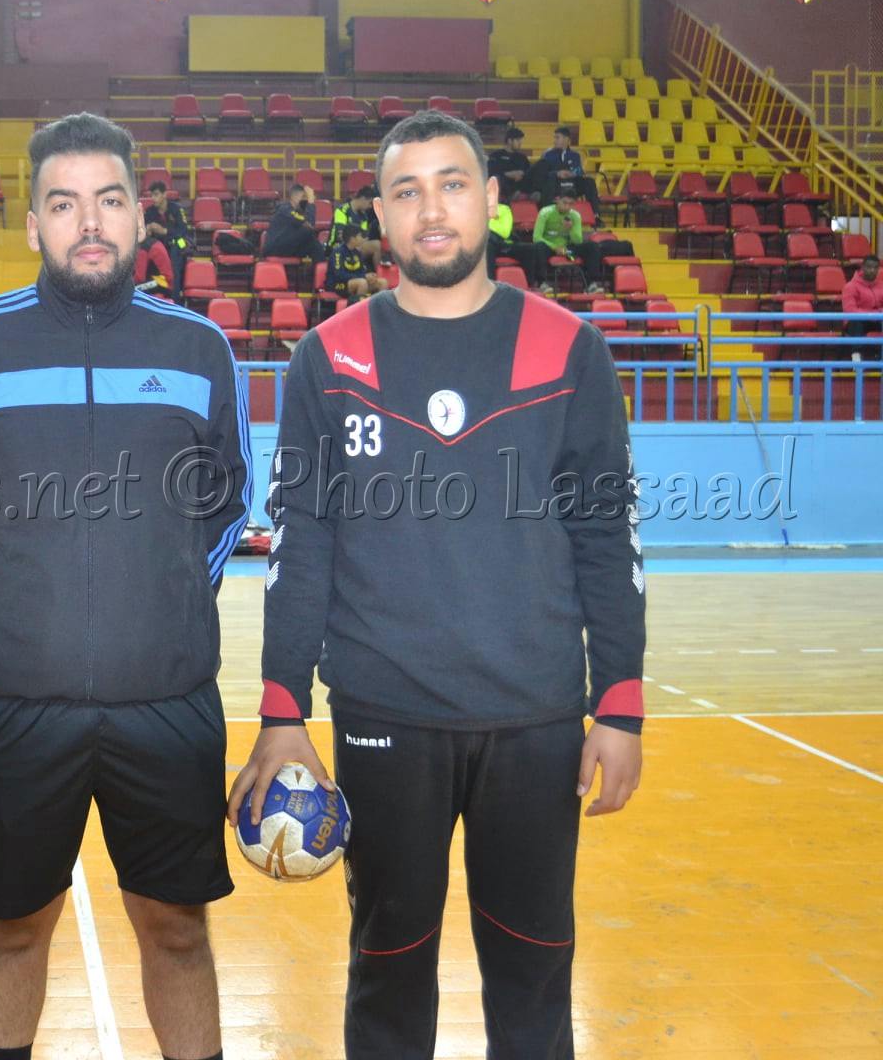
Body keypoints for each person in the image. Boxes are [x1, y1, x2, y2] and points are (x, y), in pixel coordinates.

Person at [230, 109, 645, 1060]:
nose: (431, 210)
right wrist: (282, 708)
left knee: (534, 981)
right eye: (407, 191)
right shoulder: (328, 356)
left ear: (492, 201)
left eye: (452, 185)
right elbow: (302, 541)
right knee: (387, 976)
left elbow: (606, 535)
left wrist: (619, 704)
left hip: (536, 720)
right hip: (385, 713)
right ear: (379, 215)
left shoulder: (569, 349)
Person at [0, 113, 250, 1060]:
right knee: (15, 930)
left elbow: (228, 499)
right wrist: (0, 602)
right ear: (33, 224)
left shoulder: (198, 349)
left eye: (108, 201)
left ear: (140, 216)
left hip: (168, 704)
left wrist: (170, 599)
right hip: (16, 707)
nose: (88, 223)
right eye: (64, 205)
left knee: (178, 932)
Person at [534, 188, 605, 292]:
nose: (567, 207)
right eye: (564, 203)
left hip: (568, 252)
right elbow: (536, 237)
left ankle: (591, 285)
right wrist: (555, 247)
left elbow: (578, 241)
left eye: (571, 204)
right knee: (539, 247)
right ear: (557, 200)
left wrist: (571, 228)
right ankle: (542, 284)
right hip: (549, 249)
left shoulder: (575, 216)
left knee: (592, 246)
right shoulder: (545, 212)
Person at [144, 179, 193, 295]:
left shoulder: (176, 209)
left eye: (156, 195)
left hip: (177, 244)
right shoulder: (150, 212)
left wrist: (164, 231)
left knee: (178, 244)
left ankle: (175, 296)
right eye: (152, 195)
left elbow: (183, 230)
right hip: (159, 247)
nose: (153, 198)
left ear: (164, 194)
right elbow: (144, 232)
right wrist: (148, 229)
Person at [532, 125, 600, 209]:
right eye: (554, 138)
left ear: (566, 139)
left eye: (557, 138)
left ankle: (595, 213)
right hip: (556, 184)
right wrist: (557, 173)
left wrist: (573, 174)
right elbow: (543, 174)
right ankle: (548, 211)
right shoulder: (548, 155)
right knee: (550, 180)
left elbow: (580, 171)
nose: (554, 141)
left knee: (589, 181)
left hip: (572, 184)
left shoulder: (575, 155)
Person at [262, 182, 324, 265]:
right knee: (307, 232)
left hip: (288, 247)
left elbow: (308, 224)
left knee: (313, 244)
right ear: (296, 197)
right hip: (275, 249)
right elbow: (310, 224)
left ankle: (320, 270)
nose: (305, 201)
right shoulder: (285, 209)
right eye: (304, 197)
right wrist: (311, 203)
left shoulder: (297, 211)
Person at [324, 224, 387, 303]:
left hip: (354, 282)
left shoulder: (357, 253)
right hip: (337, 285)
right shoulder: (338, 252)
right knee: (362, 283)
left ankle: (378, 308)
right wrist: (363, 277)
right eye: (359, 236)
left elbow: (361, 271)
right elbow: (339, 275)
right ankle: (359, 309)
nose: (362, 238)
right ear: (352, 239)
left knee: (382, 282)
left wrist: (369, 276)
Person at [488, 200, 544, 288]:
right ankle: (490, 285)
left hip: (503, 244)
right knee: (487, 244)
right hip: (487, 246)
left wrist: (488, 225)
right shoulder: (476, 210)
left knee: (530, 248)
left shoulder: (504, 209)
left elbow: (505, 232)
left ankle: (531, 284)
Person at [332, 184, 385, 271]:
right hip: (339, 246)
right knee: (376, 245)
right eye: (370, 203)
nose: (370, 207)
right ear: (363, 198)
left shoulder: (363, 216)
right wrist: (357, 242)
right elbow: (340, 235)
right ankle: (379, 273)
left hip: (356, 245)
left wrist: (359, 242)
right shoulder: (342, 210)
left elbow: (365, 236)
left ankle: (375, 274)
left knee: (377, 243)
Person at [844, 253, 882, 360]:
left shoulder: (881, 285)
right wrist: (874, 314)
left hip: (877, 320)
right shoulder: (850, 286)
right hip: (856, 323)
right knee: (857, 322)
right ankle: (856, 357)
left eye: (875, 268)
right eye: (869, 267)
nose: (872, 270)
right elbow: (851, 310)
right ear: (863, 267)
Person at [487, 126, 531, 203]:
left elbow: (529, 171)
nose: (520, 143)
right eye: (518, 140)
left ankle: (529, 193)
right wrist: (508, 174)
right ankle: (509, 196)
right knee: (497, 178)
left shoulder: (522, 157)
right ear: (509, 141)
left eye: (521, 140)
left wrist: (522, 173)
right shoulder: (496, 155)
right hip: (504, 183)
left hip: (520, 183)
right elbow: (491, 172)